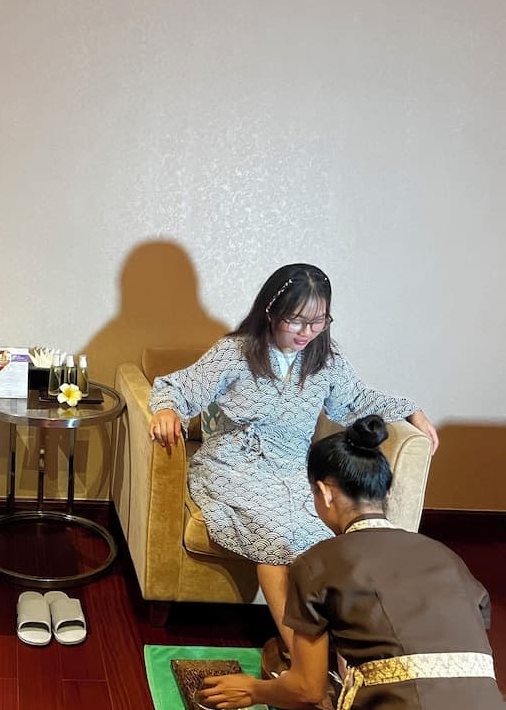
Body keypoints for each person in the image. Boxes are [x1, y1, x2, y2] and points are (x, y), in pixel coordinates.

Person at [148, 263, 439, 652]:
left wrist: (409, 409)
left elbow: (356, 399)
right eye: (296, 321)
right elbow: (179, 388)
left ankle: (341, 653)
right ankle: (304, 661)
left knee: (320, 541)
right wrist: (168, 410)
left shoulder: (326, 358)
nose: (307, 332)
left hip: (293, 469)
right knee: (276, 538)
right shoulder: (234, 353)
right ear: (271, 310)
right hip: (233, 465)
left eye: (318, 321)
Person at [200, 415, 503, 710]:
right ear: (384, 493)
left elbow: (307, 689)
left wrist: (252, 690)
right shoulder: (447, 557)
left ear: (324, 493)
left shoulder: (317, 562)